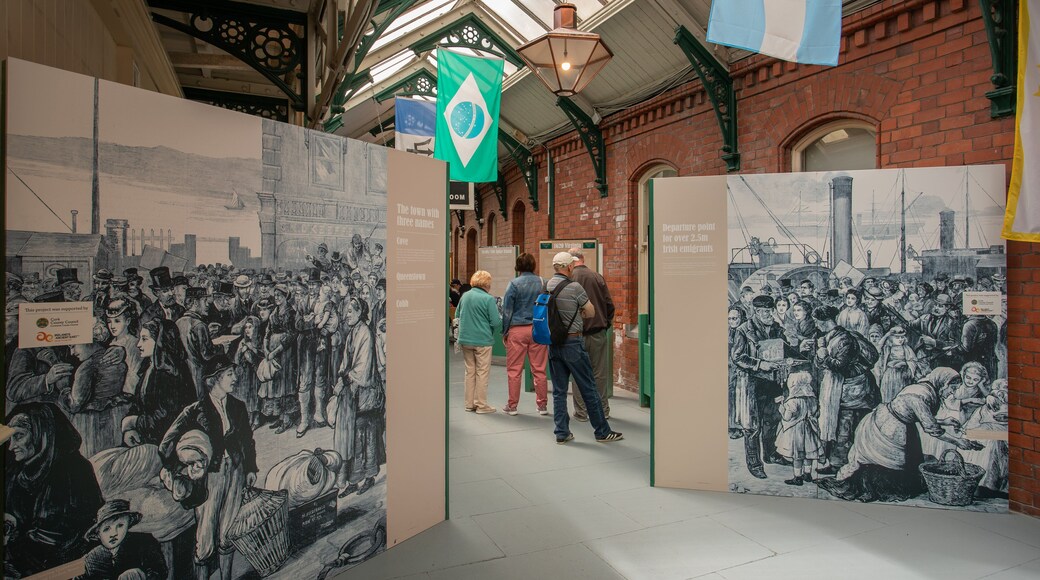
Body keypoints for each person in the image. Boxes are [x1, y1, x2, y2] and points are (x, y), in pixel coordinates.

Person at [818, 368, 982, 503]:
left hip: (898, 423)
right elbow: (932, 429)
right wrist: (959, 442)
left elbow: (917, 415)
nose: (951, 393)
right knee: (888, 462)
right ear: (943, 383)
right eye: (951, 389)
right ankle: (874, 487)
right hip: (888, 427)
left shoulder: (923, 388)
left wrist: (945, 421)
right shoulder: (919, 396)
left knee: (905, 461)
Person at [159, 355, 258, 580]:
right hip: (209, 478)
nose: (235, 378)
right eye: (229, 374)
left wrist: (251, 468)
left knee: (227, 533)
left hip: (235, 473)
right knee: (204, 539)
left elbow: (247, 440)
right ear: (213, 380)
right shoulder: (195, 410)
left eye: (234, 373)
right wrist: (184, 467)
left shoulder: (238, 406)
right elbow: (166, 444)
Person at [4, 403, 105, 577]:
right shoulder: (15, 473)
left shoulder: (74, 470)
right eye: (10, 438)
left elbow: (58, 536)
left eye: (19, 436)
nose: (11, 446)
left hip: (63, 566)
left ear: (41, 434)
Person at [545, 252, 622, 444]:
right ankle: (602, 431)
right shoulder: (574, 287)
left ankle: (561, 432)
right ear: (569, 267)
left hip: (554, 344)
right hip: (573, 342)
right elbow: (590, 311)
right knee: (589, 386)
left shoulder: (546, 285)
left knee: (559, 391)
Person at [813, 305, 880, 475]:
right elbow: (820, 364)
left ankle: (845, 465)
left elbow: (840, 366)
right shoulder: (830, 337)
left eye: (817, 321)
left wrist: (824, 356)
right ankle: (841, 463)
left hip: (855, 391)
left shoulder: (844, 339)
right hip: (845, 389)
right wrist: (820, 356)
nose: (816, 325)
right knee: (842, 426)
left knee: (845, 427)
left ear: (825, 321)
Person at [730, 295, 791, 478]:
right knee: (752, 425)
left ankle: (770, 454)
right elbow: (738, 357)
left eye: (770, 310)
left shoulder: (777, 328)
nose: (769, 314)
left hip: (773, 382)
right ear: (756, 311)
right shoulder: (744, 329)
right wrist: (759, 364)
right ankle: (754, 463)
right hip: (752, 383)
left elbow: (784, 348)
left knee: (772, 420)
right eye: (765, 311)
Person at [334, 296, 384, 497]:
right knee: (354, 437)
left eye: (350, 312)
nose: (346, 315)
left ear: (359, 313)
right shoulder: (352, 332)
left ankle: (370, 475)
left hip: (366, 394)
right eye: (346, 311)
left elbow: (363, 369)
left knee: (367, 436)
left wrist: (347, 376)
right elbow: (345, 361)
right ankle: (354, 479)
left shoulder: (365, 333)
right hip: (354, 393)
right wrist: (343, 376)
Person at [122, 318, 195, 447]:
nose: (138, 344)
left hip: (168, 444)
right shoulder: (149, 368)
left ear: (160, 342)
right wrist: (130, 430)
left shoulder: (171, 374)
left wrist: (134, 422)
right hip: (147, 439)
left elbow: (166, 419)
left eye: (144, 339)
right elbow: (138, 405)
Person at [567, 248, 616, 421]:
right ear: (582, 258)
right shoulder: (597, 277)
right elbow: (609, 304)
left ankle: (581, 412)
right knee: (599, 373)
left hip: (574, 335)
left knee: (578, 373)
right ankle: (603, 410)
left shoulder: (568, 278)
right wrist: (605, 323)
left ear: (570, 262)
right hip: (597, 332)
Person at [500, 253, 549, 416]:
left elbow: (507, 310)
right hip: (538, 328)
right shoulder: (543, 282)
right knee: (540, 369)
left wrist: (505, 331)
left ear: (518, 266)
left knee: (514, 370)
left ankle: (512, 406)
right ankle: (542, 406)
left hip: (517, 329)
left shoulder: (513, 284)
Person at [64, 340, 130, 457]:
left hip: (92, 425)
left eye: (73, 346)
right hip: (114, 420)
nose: (72, 352)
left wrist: (64, 390)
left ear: (90, 341)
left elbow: (75, 404)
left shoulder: (86, 367)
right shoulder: (118, 361)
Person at [77, 499, 167, 580]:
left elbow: (160, 572)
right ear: (98, 534)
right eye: (106, 529)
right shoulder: (91, 558)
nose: (113, 534)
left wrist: (141, 576)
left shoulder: (144, 543)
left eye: (120, 526)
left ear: (128, 524)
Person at [455, 270, 502, 414]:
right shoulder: (488, 299)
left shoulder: (465, 296)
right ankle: (481, 405)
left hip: (465, 339)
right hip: (482, 340)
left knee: (469, 371)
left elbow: (457, 315)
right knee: (482, 372)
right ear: (487, 284)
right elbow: (495, 321)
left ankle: (469, 404)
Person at [775, 371, 822, 485]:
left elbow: (787, 418)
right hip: (809, 429)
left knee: (797, 455)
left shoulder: (792, 402)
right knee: (808, 453)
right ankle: (808, 474)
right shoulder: (812, 400)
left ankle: (797, 477)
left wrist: (781, 408)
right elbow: (817, 413)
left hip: (796, 432)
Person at [177, 287, 223, 398]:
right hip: (198, 375)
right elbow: (207, 355)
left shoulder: (178, 322)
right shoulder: (199, 325)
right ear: (195, 302)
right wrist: (222, 347)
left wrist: (208, 333)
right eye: (204, 301)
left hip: (183, 375)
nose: (208, 305)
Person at [877, 326, 926, 403]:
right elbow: (878, 347)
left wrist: (905, 363)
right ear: (891, 338)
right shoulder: (887, 348)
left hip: (903, 375)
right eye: (897, 338)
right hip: (890, 376)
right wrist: (886, 335)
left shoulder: (906, 348)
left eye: (902, 337)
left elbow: (913, 361)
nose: (900, 340)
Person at [107, 299, 144, 396]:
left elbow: (134, 375)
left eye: (117, 321)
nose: (112, 326)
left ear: (127, 321)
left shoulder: (134, 343)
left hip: (126, 394)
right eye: (109, 321)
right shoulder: (112, 343)